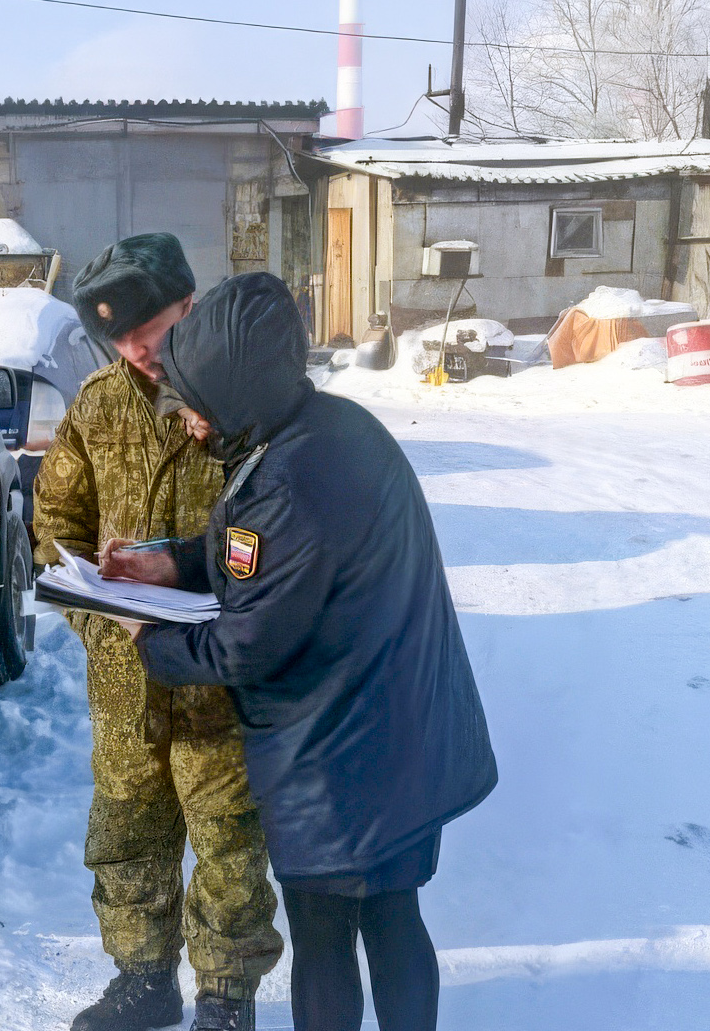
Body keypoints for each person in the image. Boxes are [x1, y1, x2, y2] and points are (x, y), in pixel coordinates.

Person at [102, 272, 498, 1031]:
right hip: (398, 733)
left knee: (325, 940)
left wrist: (150, 637)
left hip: (338, 756)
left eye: (194, 405)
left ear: (236, 391)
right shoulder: (325, 430)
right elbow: (269, 559)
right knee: (392, 918)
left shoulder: (287, 480)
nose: (185, 420)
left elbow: (245, 644)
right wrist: (173, 563)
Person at [35, 234, 283, 1031]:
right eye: (121, 336)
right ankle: (145, 981)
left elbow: (286, 524)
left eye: (154, 328)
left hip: (220, 676)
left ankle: (226, 998)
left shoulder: (242, 399)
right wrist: (90, 611)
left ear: (193, 305)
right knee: (127, 837)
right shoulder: (99, 403)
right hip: (125, 675)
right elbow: (56, 522)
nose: (138, 349)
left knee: (230, 850)